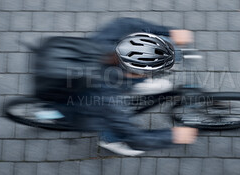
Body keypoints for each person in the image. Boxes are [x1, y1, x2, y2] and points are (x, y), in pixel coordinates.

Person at [34, 18, 198, 156]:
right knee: (114, 127)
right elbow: (135, 138)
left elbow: (128, 23)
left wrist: (169, 32)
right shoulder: (106, 98)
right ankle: (111, 141)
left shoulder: (112, 39)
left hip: (91, 70)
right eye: (155, 72)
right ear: (138, 74)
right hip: (85, 109)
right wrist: (173, 137)